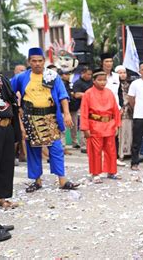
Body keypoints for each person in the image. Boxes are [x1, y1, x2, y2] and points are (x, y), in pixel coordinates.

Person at [11, 47, 79, 192]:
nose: (37, 64)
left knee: (56, 149)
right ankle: (37, 181)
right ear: (29, 62)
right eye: (34, 61)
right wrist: (18, 109)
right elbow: (10, 92)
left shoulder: (52, 76)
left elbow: (63, 96)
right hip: (30, 118)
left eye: (40, 61)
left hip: (51, 117)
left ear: (44, 61)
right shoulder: (21, 77)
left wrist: (66, 114)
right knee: (33, 150)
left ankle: (62, 180)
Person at [80, 69, 121, 183]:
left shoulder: (109, 92)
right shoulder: (88, 93)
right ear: (94, 81)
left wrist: (117, 125)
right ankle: (95, 173)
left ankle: (112, 171)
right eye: (100, 80)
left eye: (104, 80)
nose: (102, 82)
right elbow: (84, 112)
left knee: (111, 150)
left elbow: (115, 110)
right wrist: (85, 128)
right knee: (95, 151)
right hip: (94, 125)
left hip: (109, 124)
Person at [0, 74, 21, 209]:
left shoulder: (3, 80)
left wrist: (17, 131)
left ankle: (0, 198)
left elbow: (13, 103)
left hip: (7, 128)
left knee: (5, 165)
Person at [100, 53, 125, 167]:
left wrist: (121, 106)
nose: (109, 64)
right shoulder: (99, 76)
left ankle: (114, 158)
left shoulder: (116, 76)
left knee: (114, 134)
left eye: (110, 61)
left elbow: (119, 93)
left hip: (115, 109)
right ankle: (101, 158)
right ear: (102, 63)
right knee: (101, 134)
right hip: (101, 109)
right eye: (106, 61)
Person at [73, 66, 93, 153]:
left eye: (91, 74)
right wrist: (89, 94)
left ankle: (89, 143)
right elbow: (76, 95)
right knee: (83, 125)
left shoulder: (92, 82)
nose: (90, 76)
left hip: (92, 106)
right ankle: (83, 145)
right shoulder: (78, 83)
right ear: (83, 73)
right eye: (88, 74)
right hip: (81, 106)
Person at [115, 65, 133, 160]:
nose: (122, 75)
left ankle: (128, 152)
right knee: (120, 133)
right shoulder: (115, 85)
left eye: (124, 72)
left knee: (128, 131)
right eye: (120, 73)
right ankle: (120, 153)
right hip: (119, 111)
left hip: (129, 111)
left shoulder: (129, 84)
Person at [60, 70, 77, 155]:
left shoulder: (68, 84)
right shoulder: (59, 84)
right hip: (61, 110)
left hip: (68, 109)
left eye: (69, 74)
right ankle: (62, 148)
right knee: (62, 130)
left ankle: (63, 147)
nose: (68, 76)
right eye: (65, 74)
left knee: (65, 129)